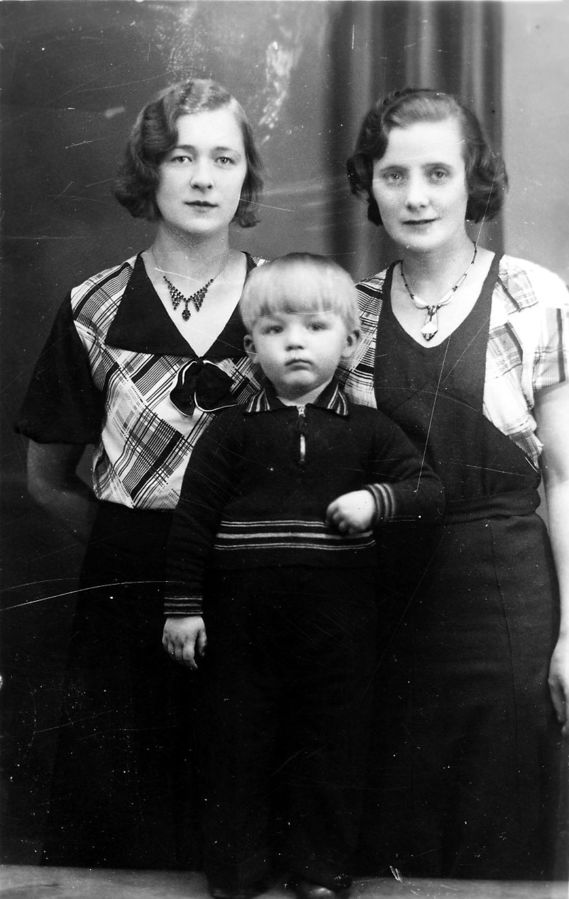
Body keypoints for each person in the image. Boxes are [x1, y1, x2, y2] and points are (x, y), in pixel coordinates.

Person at [16, 78, 266, 869]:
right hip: (126, 585)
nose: (203, 178)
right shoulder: (93, 306)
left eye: (223, 158)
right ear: (148, 171)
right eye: (180, 157)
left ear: (245, 175)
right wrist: (130, 545)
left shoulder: (285, 299)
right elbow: (47, 478)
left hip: (255, 579)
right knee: (122, 820)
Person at [162, 253, 445, 899]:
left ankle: (319, 870)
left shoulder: (370, 430)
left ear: (350, 342)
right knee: (237, 743)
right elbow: (193, 522)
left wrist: (374, 499)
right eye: (275, 328)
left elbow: (429, 491)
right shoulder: (229, 431)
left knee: (331, 744)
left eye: (315, 326)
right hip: (240, 624)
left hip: (339, 625)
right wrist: (182, 607)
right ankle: (237, 871)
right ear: (250, 346)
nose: (294, 341)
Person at [342, 87, 569, 880]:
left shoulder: (534, 299)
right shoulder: (349, 313)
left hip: (506, 609)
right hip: (385, 612)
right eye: (393, 174)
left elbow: (565, 479)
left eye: (437, 173)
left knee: (501, 835)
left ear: (473, 179)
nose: (415, 196)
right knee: (390, 840)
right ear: (368, 184)